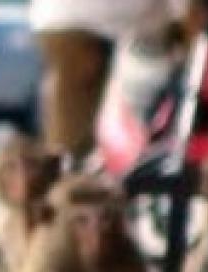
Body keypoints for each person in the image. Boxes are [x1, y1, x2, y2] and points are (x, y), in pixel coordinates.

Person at [32, 0, 173, 161]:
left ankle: (68, 171)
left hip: (75, 21)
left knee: (77, 122)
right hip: (80, 22)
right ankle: (65, 175)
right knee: (72, 127)